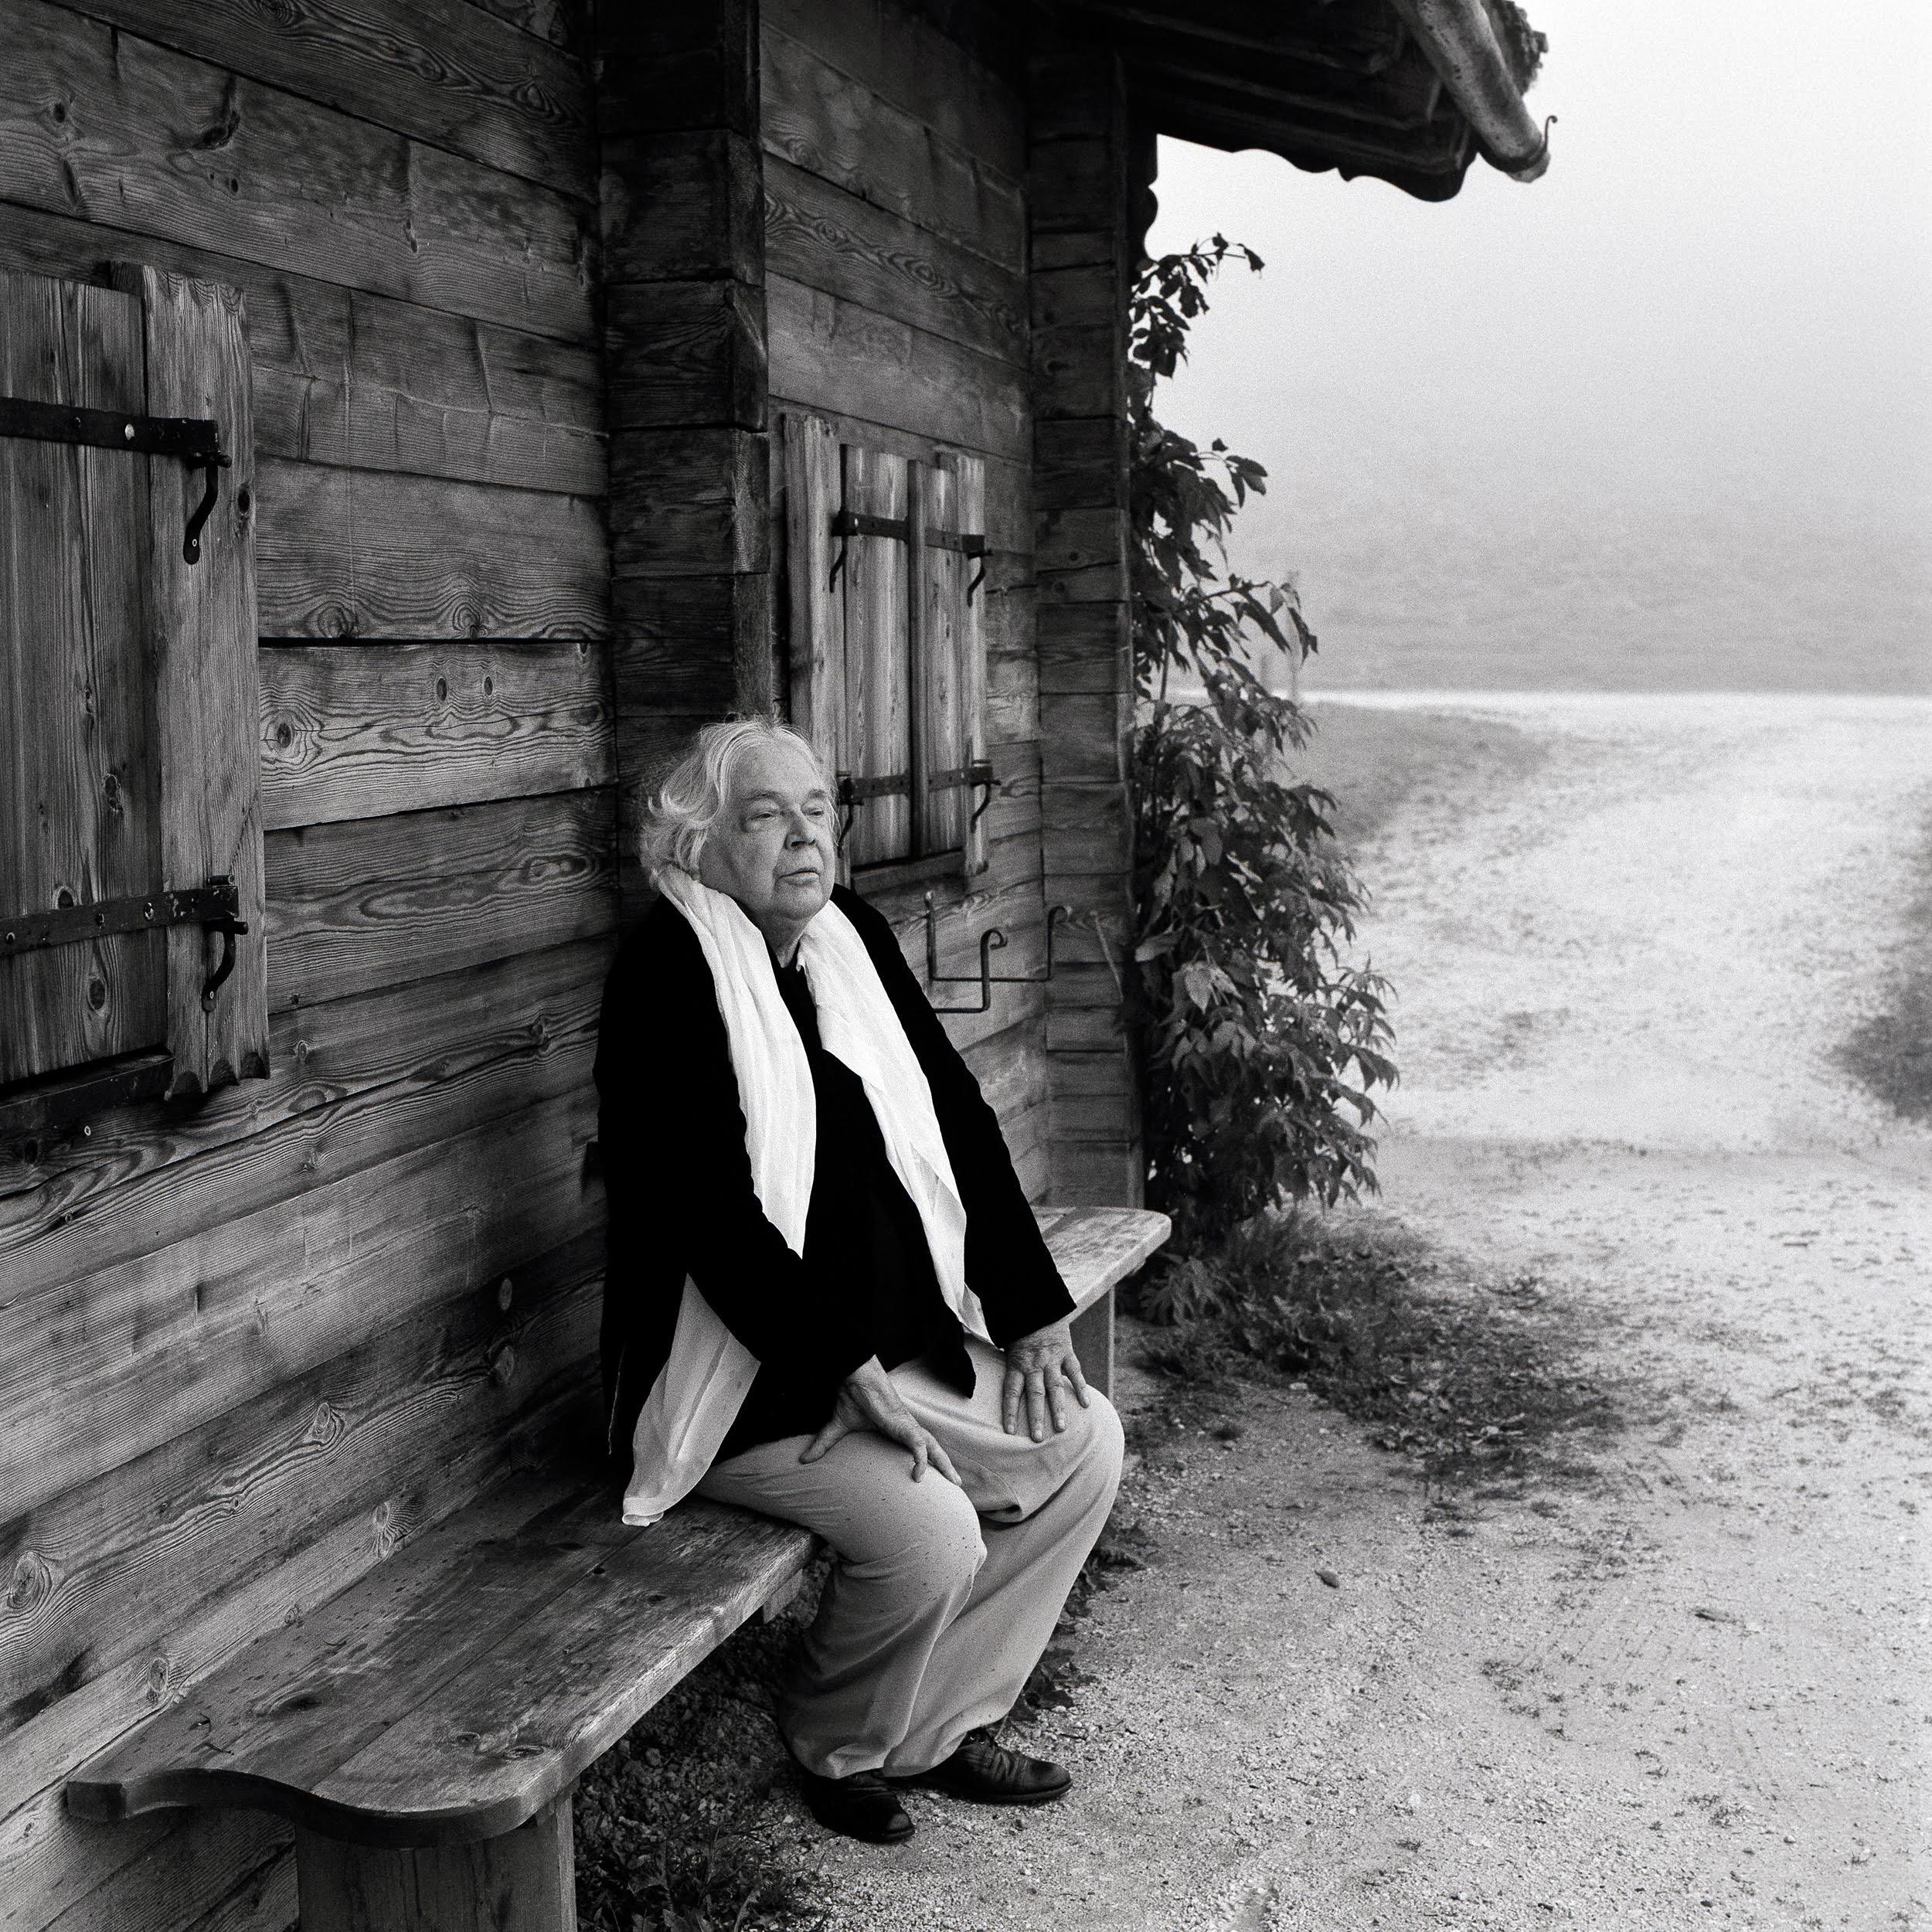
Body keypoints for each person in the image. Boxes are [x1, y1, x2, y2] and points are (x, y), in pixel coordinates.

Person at [594, 717, 1124, 1845]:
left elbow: (960, 1121)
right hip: (749, 1379)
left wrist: (1030, 1313)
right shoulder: (667, 977)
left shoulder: (850, 940)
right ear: (696, 843)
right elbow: (708, 1212)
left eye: (818, 810)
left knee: (1083, 1442)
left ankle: (934, 1726)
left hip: (887, 1350)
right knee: (933, 1536)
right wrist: (839, 1362)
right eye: (765, 816)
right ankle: (834, 1741)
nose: (803, 839)